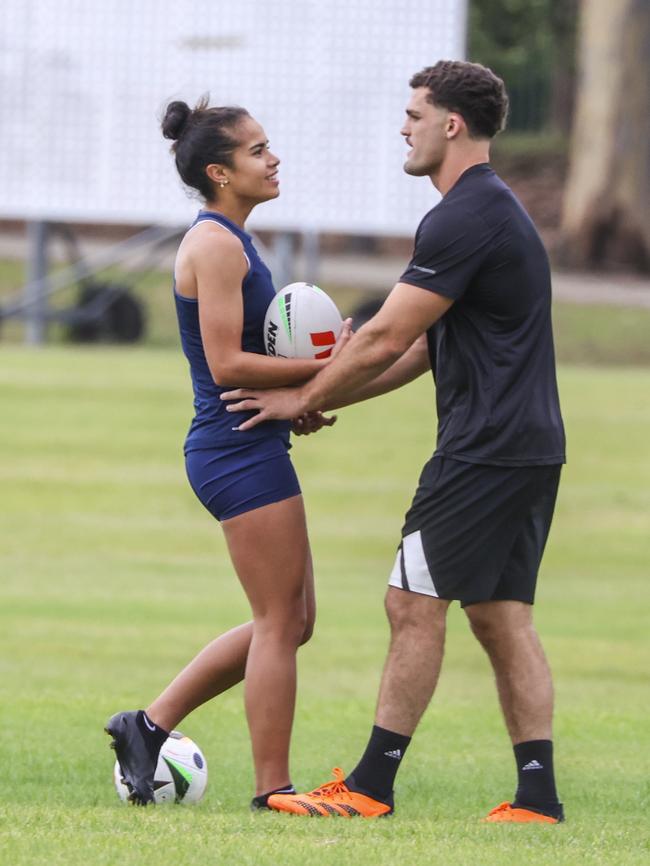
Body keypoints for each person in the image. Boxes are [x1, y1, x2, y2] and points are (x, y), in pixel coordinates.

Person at [221, 60, 567, 823]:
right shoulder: (481, 210)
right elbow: (416, 353)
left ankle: (371, 787)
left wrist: (302, 396)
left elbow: (382, 336)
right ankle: (537, 797)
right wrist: (319, 397)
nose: (403, 127)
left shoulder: (464, 214)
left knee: (411, 602)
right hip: (528, 446)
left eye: (414, 114)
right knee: (500, 614)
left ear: (451, 125)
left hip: (484, 450)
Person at [105, 97, 348, 809]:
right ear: (219, 171)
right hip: (234, 449)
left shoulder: (235, 240)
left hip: (252, 441)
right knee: (279, 622)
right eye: (257, 151)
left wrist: (298, 398)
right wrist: (331, 369)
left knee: (295, 622)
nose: (273, 159)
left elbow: (255, 357)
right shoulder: (214, 244)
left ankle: (147, 726)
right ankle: (274, 789)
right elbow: (225, 365)